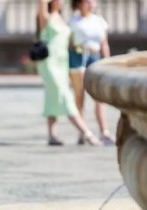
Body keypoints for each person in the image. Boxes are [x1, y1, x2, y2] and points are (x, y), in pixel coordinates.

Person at [36, 0, 100, 146]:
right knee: (65, 97)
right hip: (49, 63)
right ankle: (87, 134)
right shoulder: (46, 17)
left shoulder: (62, 18)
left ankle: (52, 135)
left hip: (63, 63)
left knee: (52, 97)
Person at [69, 0, 114, 146]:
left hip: (95, 56)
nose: (91, 4)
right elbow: (69, 43)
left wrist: (108, 62)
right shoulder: (74, 21)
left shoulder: (99, 21)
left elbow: (104, 43)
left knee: (99, 96)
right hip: (79, 57)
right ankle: (83, 131)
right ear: (79, 3)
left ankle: (104, 131)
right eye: (87, 1)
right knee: (80, 95)